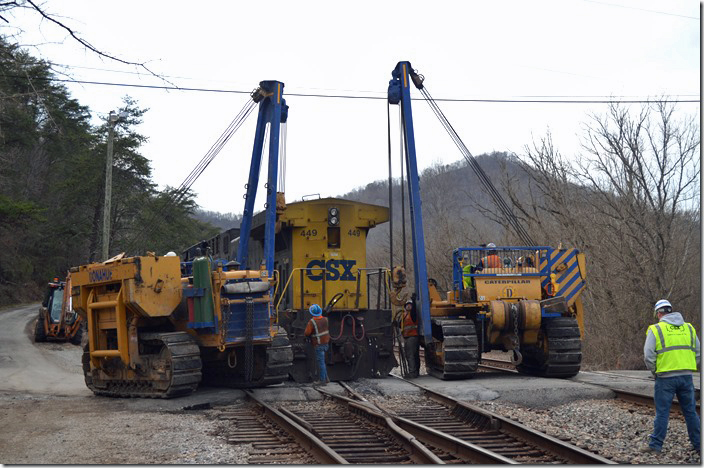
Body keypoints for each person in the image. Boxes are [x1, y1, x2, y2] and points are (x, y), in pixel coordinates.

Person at [641, 299, 701, 454]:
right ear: (671, 311)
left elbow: (648, 356)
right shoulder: (688, 328)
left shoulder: (656, 329)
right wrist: (688, 366)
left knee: (662, 412)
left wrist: (656, 371)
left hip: (665, 378)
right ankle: (699, 445)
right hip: (686, 377)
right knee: (690, 412)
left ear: (658, 313)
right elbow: (698, 352)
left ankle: (655, 445)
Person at [304, 304, 330, 384]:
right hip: (326, 344)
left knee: (321, 363)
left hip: (319, 345)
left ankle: (322, 381)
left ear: (312, 313)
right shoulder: (325, 319)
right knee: (323, 362)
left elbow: (307, 333)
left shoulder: (312, 322)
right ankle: (326, 379)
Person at [401, 300, 420, 378]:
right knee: (414, 355)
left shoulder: (413, 315)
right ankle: (415, 372)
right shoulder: (404, 315)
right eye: (407, 305)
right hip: (408, 337)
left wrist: (414, 299)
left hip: (412, 337)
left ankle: (412, 373)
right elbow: (401, 325)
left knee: (410, 355)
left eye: (410, 305)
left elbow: (414, 311)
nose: (408, 306)